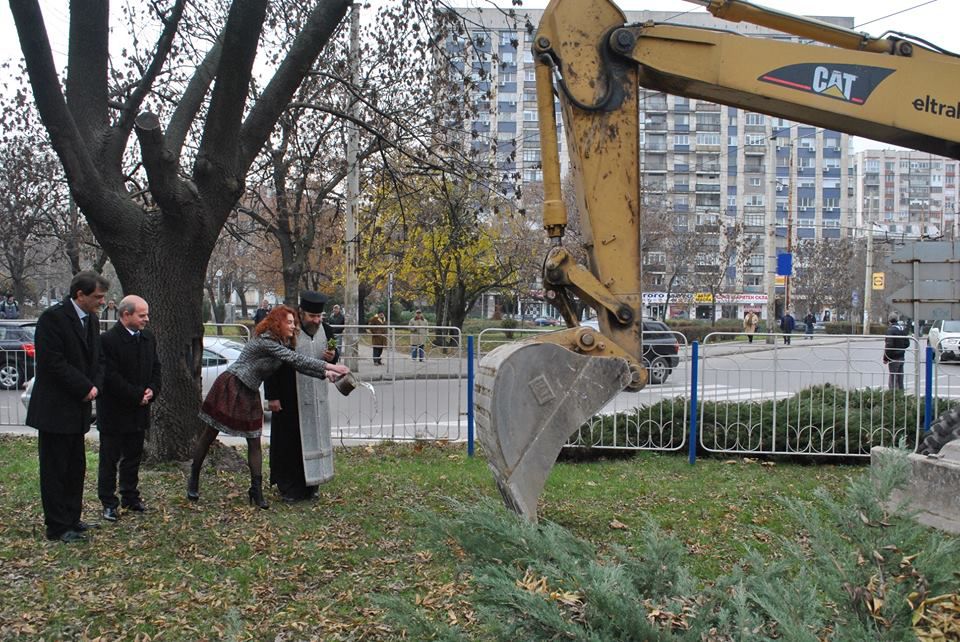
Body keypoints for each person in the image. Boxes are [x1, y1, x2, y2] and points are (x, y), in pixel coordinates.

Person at [187, 305, 350, 508]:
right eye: (289, 322)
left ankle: (256, 491)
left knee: (254, 441)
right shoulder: (266, 341)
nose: (293, 327)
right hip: (232, 385)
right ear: (277, 323)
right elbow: (295, 358)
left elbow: (298, 364)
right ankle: (193, 476)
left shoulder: (283, 343)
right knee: (209, 434)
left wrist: (326, 373)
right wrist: (331, 367)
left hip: (250, 390)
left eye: (294, 322)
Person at [26, 271, 109, 543]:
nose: (102, 301)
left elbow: (98, 360)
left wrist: (94, 385)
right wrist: (85, 387)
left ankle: (73, 518)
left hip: (78, 408)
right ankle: (58, 526)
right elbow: (52, 362)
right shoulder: (53, 319)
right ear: (80, 295)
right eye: (97, 296)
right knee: (55, 469)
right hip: (55, 408)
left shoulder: (92, 321)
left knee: (76, 468)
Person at [264, 291, 339, 502]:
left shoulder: (327, 330)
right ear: (301, 313)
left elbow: (335, 354)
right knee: (289, 442)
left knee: (316, 439)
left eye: (319, 316)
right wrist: (272, 396)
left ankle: (313, 483)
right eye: (312, 316)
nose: (316, 320)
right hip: (289, 396)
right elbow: (272, 364)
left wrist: (333, 356)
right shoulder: (289, 331)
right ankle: (288, 487)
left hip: (316, 396)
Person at [96, 295, 162, 522]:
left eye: (146, 315)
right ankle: (108, 501)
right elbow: (110, 376)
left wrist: (152, 390)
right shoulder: (108, 340)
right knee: (109, 458)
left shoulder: (148, 338)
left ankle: (130, 496)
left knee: (133, 456)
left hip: (139, 410)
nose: (146, 319)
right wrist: (136, 395)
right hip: (115, 410)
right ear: (126, 315)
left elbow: (156, 367)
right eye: (142, 315)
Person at [883, 314, 909, 391]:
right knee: (900, 378)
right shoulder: (902, 329)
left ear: (889, 320)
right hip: (901, 356)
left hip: (893, 357)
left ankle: (893, 396)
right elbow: (907, 343)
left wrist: (886, 358)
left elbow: (889, 345)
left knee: (893, 378)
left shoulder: (890, 330)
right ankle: (901, 395)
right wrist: (901, 348)